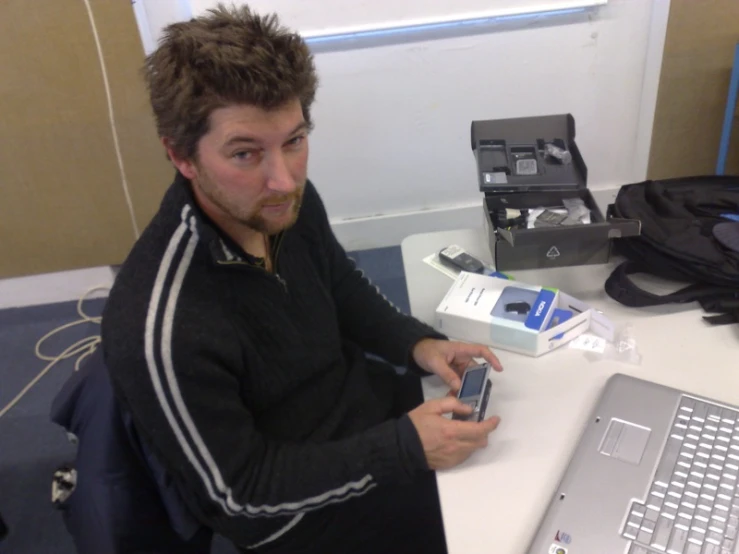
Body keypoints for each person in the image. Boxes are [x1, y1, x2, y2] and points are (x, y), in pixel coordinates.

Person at [101, 4, 503, 553]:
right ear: (182, 157)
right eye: (245, 153)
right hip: (303, 513)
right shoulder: (160, 328)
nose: (283, 180)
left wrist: (418, 343)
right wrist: (402, 449)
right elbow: (238, 499)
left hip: (373, 420)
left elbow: (339, 286)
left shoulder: (282, 204)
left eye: (294, 140)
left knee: (534, 451)